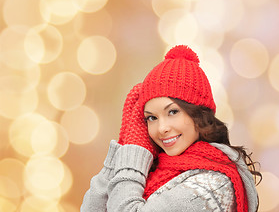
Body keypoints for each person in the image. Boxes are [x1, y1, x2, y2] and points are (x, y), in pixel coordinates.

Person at [80, 45, 261, 212]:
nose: (162, 128)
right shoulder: (154, 167)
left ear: (198, 114)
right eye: (151, 117)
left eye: (173, 112)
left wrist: (133, 154)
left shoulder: (212, 185)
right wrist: (125, 147)